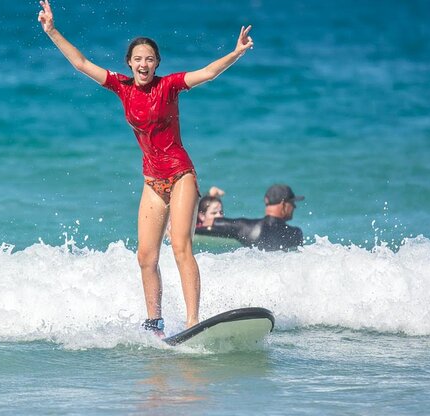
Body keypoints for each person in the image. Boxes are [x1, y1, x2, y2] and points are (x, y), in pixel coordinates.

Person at [37, 0, 254, 335]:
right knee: (145, 257)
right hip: (153, 181)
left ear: (157, 63)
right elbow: (80, 63)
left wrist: (236, 52)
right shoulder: (121, 87)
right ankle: (155, 323)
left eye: (149, 58)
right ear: (129, 63)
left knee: (181, 245)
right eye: (138, 59)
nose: (143, 63)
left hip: (181, 174)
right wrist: (52, 31)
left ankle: (194, 321)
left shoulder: (169, 86)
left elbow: (208, 72)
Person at [196, 184, 304, 251]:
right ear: (284, 204)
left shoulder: (245, 227)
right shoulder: (295, 234)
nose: (294, 206)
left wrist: (209, 197)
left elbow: (204, 223)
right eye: (292, 203)